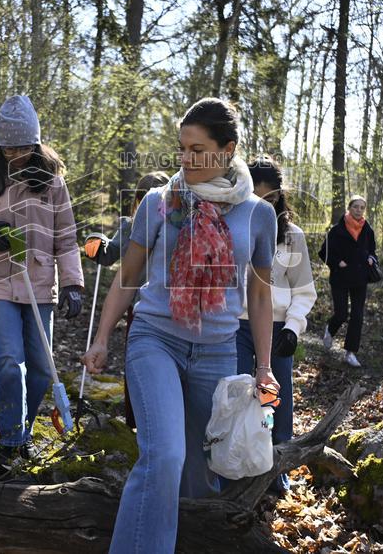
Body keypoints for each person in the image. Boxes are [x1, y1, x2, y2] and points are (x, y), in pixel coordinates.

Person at [81, 97, 278, 554]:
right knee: (165, 456)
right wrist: (103, 337)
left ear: (227, 150)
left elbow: (261, 294)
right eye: (181, 149)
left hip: (219, 350)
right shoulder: (159, 202)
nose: (184, 159)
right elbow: (128, 277)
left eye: (197, 149)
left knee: (199, 473)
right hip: (156, 340)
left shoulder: (258, 214)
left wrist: (264, 366)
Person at [0, 95, 84, 469]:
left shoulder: (52, 181)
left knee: (41, 367)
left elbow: (66, 237)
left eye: (23, 146)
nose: (16, 154)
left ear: (35, 144)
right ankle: (8, 442)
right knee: (10, 359)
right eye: (8, 148)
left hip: (39, 281)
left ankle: (22, 434)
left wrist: (73, 283)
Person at [236, 156, 316, 495]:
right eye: (256, 196)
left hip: (278, 327)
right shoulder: (232, 227)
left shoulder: (292, 238)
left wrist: (293, 329)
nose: (262, 206)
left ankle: (277, 462)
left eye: (270, 199)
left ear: (280, 198)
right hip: (236, 326)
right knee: (239, 393)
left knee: (275, 396)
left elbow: (304, 290)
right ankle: (237, 462)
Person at [83, 171, 169, 429]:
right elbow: (109, 253)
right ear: (138, 202)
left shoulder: (176, 226)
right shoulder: (131, 225)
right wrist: (95, 246)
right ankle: (135, 419)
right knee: (137, 363)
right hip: (135, 305)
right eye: (144, 200)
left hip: (165, 306)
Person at [321, 195, 377, 368]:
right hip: (340, 277)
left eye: (362, 207)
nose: (359, 210)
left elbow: (373, 252)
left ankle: (350, 352)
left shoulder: (368, 230)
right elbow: (324, 252)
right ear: (349, 208)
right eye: (356, 207)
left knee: (358, 316)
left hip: (360, 278)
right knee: (341, 314)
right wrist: (337, 262)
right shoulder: (337, 230)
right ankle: (330, 330)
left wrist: (371, 259)